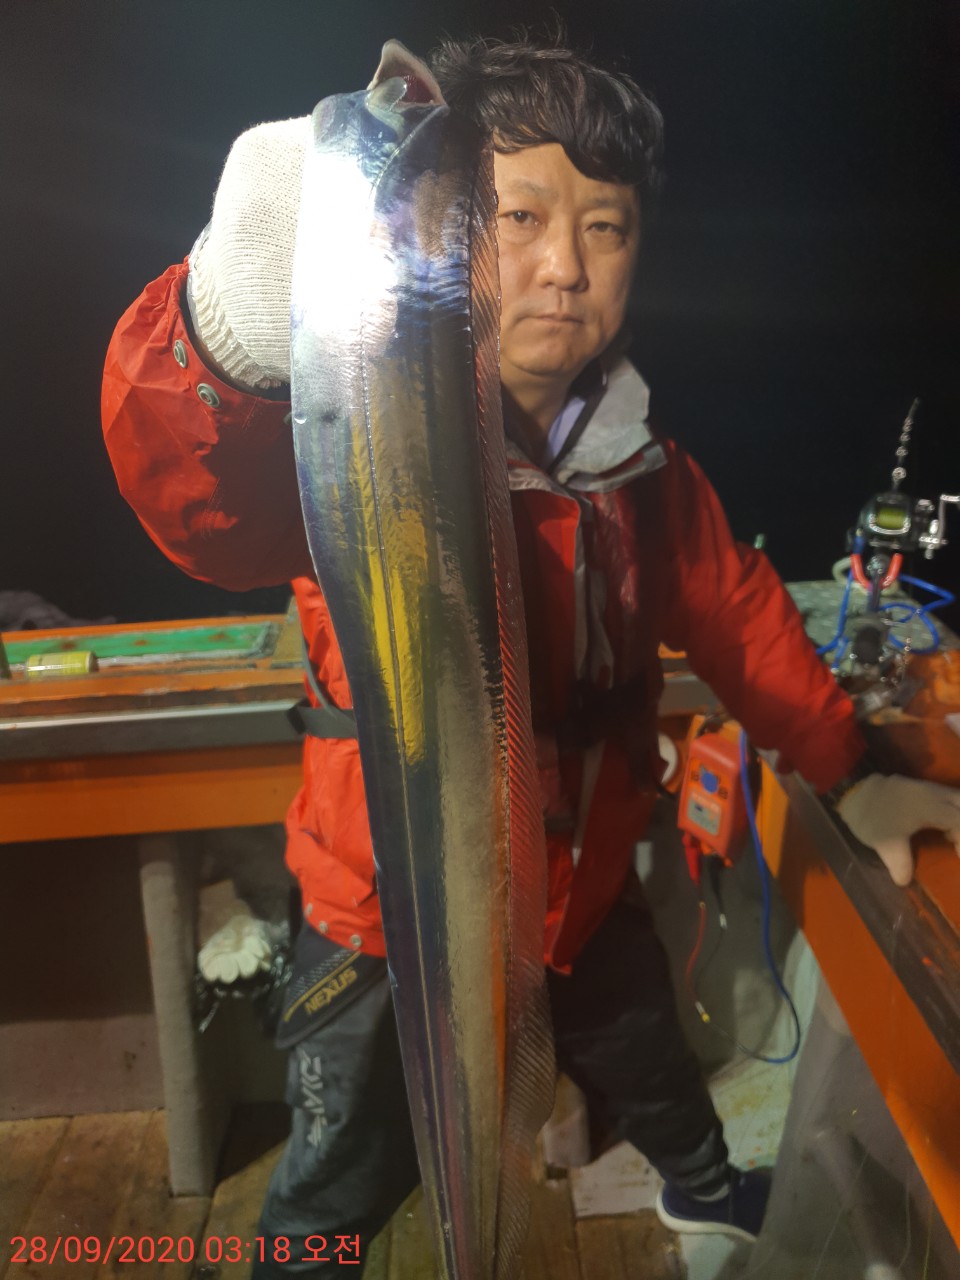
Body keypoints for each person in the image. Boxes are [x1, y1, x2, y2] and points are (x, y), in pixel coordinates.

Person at [102, 34, 960, 1276]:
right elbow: (205, 508)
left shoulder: (646, 469)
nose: (565, 265)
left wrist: (852, 767)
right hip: (383, 906)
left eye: (606, 227)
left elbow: (741, 613)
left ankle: (706, 1190)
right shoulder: (365, 421)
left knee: (653, 1062)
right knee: (338, 1161)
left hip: (582, 888)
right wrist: (222, 335)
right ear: (444, 235)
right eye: (519, 216)